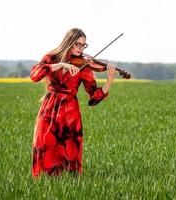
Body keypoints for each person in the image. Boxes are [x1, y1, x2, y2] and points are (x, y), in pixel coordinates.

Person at [30, 28, 116, 177]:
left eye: (84, 45)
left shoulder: (84, 65)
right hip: (49, 108)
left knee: (70, 150)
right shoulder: (52, 57)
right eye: (78, 44)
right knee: (44, 144)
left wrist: (109, 81)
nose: (81, 49)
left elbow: (94, 97)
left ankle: (70, 186)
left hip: (70, 112)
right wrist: (62, 65)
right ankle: (43, 184)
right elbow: (35, 75)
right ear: (68, 42)